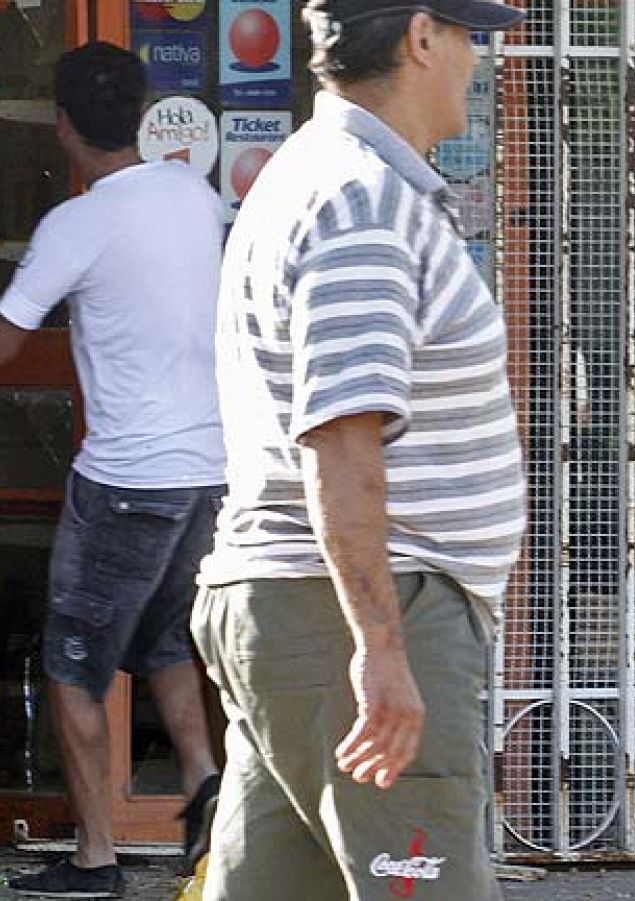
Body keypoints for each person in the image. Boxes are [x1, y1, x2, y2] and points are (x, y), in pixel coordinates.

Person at [193, 1, 526, 898]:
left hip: (296, 608)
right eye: (472, 36)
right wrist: (381, 644)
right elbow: (341, 435)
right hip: (362, 614)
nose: (479, 60)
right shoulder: (361, 199)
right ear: (422, 38)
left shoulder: (316, 175)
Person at [0, 42, 225, 898]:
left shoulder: (78, 223)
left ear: (63, 126)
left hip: (127, 477)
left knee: (74, 665)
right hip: (208, 469)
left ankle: (96, 856)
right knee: (165, 637)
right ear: (141, 115)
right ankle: (204, 781)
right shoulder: (193, 196)